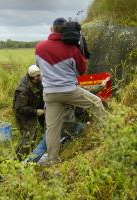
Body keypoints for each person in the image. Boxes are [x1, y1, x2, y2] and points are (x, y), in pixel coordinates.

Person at [35, 17, 106, 165]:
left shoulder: (39, 48)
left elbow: (39, 66)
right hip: (69, 91)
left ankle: (52, 159)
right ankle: (113, 131)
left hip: (49, 94)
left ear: (51, 29)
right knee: (97, 102)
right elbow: (81, 70)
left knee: (52, 128)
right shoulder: (72, 49)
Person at [13, 65, 45, 160]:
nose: (41, 76)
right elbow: (19, 108)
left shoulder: (37, 81)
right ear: (34, 77)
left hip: (35, 107)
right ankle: (19, 160)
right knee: (27, 137)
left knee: (35, 134)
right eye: (39, 75)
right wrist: (35, 112)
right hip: (23, 115)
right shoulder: (23, 90)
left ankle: (30, 155)